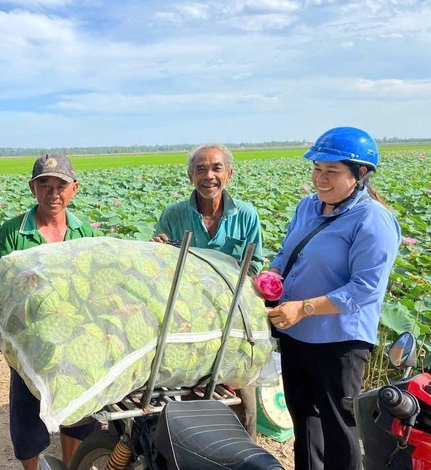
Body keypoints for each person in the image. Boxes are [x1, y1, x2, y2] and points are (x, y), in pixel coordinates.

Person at [266, 127, 401, 470]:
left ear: (361, 174)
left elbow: (365, 288)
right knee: (305, 421)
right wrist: (273, 275)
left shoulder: (373, 219)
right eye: (316, 169)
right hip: (296, 334)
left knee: (338, 427)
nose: (320, 179)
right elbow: (286, 253)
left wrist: (306, 307)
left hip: (339, 340)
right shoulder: (308, 206)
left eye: (332, 172)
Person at [0, 154, 98, 470]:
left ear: (73, 189)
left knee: (76, 409)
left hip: (73, 336)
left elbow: (90, 287)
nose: (53, 193)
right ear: (32, 189)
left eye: (60, 185)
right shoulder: (12, 231)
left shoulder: (84, 231)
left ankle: (71, 464)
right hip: (27, 338)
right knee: (26, 410)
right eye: (44, 185)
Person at [151, 143, 263, 439]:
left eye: (216, 168)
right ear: (190, 176)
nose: (208, 176)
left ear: (229, 174)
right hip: (188, 321)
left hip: (234, 322)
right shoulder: (174, 215)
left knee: (245, 407)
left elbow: (256, 267)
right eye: (200, 169)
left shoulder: (246, 216)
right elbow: (160, 269)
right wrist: (158, 251)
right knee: (191, 400)